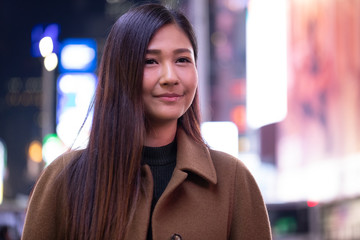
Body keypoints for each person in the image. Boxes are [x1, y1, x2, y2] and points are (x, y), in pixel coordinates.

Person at [22, 3, 271, 240]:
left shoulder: (233, 180)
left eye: (182, 60)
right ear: (120, 72)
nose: (170, 77)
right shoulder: (63, 179)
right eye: (150, 61)